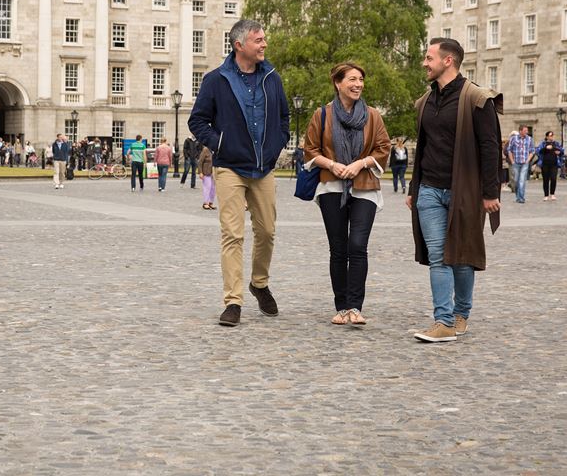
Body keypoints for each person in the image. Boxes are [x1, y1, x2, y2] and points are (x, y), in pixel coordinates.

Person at [188, 18, 290, 327]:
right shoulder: (215, 80)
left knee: (267, 231)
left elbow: (284, 117)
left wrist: (277, 145)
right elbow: (198, 121)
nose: (264, 44)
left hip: (264, 168)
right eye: (258, 40)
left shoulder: (272, 77)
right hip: (230, 167)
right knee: (232, 234)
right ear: (239, 45)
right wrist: (221, 143)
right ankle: (233, 301)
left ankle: (259, 283)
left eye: (263, 39)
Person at [407, 38, 502, 343]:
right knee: (439, 255)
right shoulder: (425, 101)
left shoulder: (476, 98)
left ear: (448, 61)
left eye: (429, 57)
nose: (425, 63)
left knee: (461, 256)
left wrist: (491, 193)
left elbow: (490, 149)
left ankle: (461, 313)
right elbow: (422, 149)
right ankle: (444, 321)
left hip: (466, 192)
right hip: (430, 191)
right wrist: (413, 187)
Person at [303, 63, 391, 326]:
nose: (358, 84)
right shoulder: (322, 115)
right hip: (331, 187)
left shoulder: (373, 116)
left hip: (365, 186)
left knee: (357, 246)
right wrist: (332, 164)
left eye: (361, 79)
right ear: (338, 83)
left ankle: (355, 306)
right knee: (339, 248)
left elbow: (383, 146)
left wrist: (361, 163)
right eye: (352, 79)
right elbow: (310, 150)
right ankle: (341, 307)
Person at [506, 125, 535, 203]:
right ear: (520, 131)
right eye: (525, 130)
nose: (527, 132)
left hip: (525, 163)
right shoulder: (513, 139)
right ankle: (518, 197)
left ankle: (521, 198)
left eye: (527, 131)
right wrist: (512, 161)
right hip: (515, 162)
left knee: (522, 180)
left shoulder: (529, 139)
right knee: (516, 181)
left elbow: (532, 151)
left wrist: (528, 160)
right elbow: (509, 150)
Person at [535, 131, 564, 201]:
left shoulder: (556, 143)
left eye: (552, 135)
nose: (552, 137)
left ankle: (552, 194)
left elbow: (562, 151)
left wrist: (559, 152)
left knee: (554, 178)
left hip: (554, 164)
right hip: (545, 164)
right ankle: (546, 195)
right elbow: (537, 151)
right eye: (550, 135)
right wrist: (545, 148)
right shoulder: (543, 143)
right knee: (545, 179)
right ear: (547, 136)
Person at [198, 145, 215, 209]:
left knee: (213, 189)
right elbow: (200, 162)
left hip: (213, 172)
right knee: (207, 187)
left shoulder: (215, 150)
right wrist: (200, 172)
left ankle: (211, 202)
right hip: (206, 172)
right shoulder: (205, 150)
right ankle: (206, 203)